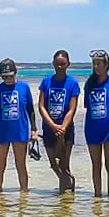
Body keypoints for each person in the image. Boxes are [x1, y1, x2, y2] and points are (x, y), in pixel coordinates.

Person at [0, 59, 38, 193]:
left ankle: (24, 195)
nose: (8, 79)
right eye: (5, 77)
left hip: (20, 132)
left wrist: (34, 130)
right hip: (1, 133)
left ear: (15, 73)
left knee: (21, 165)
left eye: (10, 76)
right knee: (0, 165)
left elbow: (31, 110)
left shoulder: (24, 88)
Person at [37, 50, 81, 193]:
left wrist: (62, 127)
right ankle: (67, 183)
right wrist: (53, 125)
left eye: (63, 64)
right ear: (53, 64)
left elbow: (72, 109)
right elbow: (41, 106)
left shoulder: (72, 83)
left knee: (64, 163)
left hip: (66, 129)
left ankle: (65, 197)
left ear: (68, 64)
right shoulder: (46, 82)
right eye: (57, 64)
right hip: (49, 128)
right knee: (53, 163)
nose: (60, 67)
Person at [83, 50, 109, 197]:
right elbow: (87, 105)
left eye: (99, 63)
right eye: (94, 64)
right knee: (96, 165)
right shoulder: (90, 83)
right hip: (92, 129)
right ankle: (97, 195)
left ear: (107, 65)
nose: (96, 67)